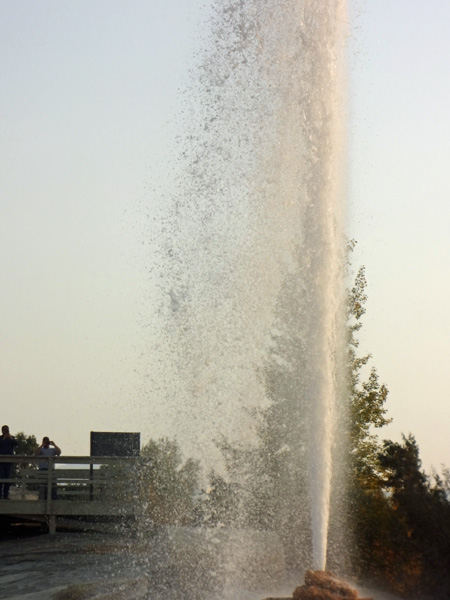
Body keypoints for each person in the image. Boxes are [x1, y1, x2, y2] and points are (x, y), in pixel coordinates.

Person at [0, 425, 19, 499]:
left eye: (7, 430)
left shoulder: (11, 438)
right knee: (1, 478)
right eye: (4, 430)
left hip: (9, 461)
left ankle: (6, 495)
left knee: (8, 479)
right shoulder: (0, 438)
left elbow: (16, 443)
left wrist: (10, 438)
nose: (6, 431)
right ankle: (0, 495)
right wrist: (4, 439)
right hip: (1, 462)